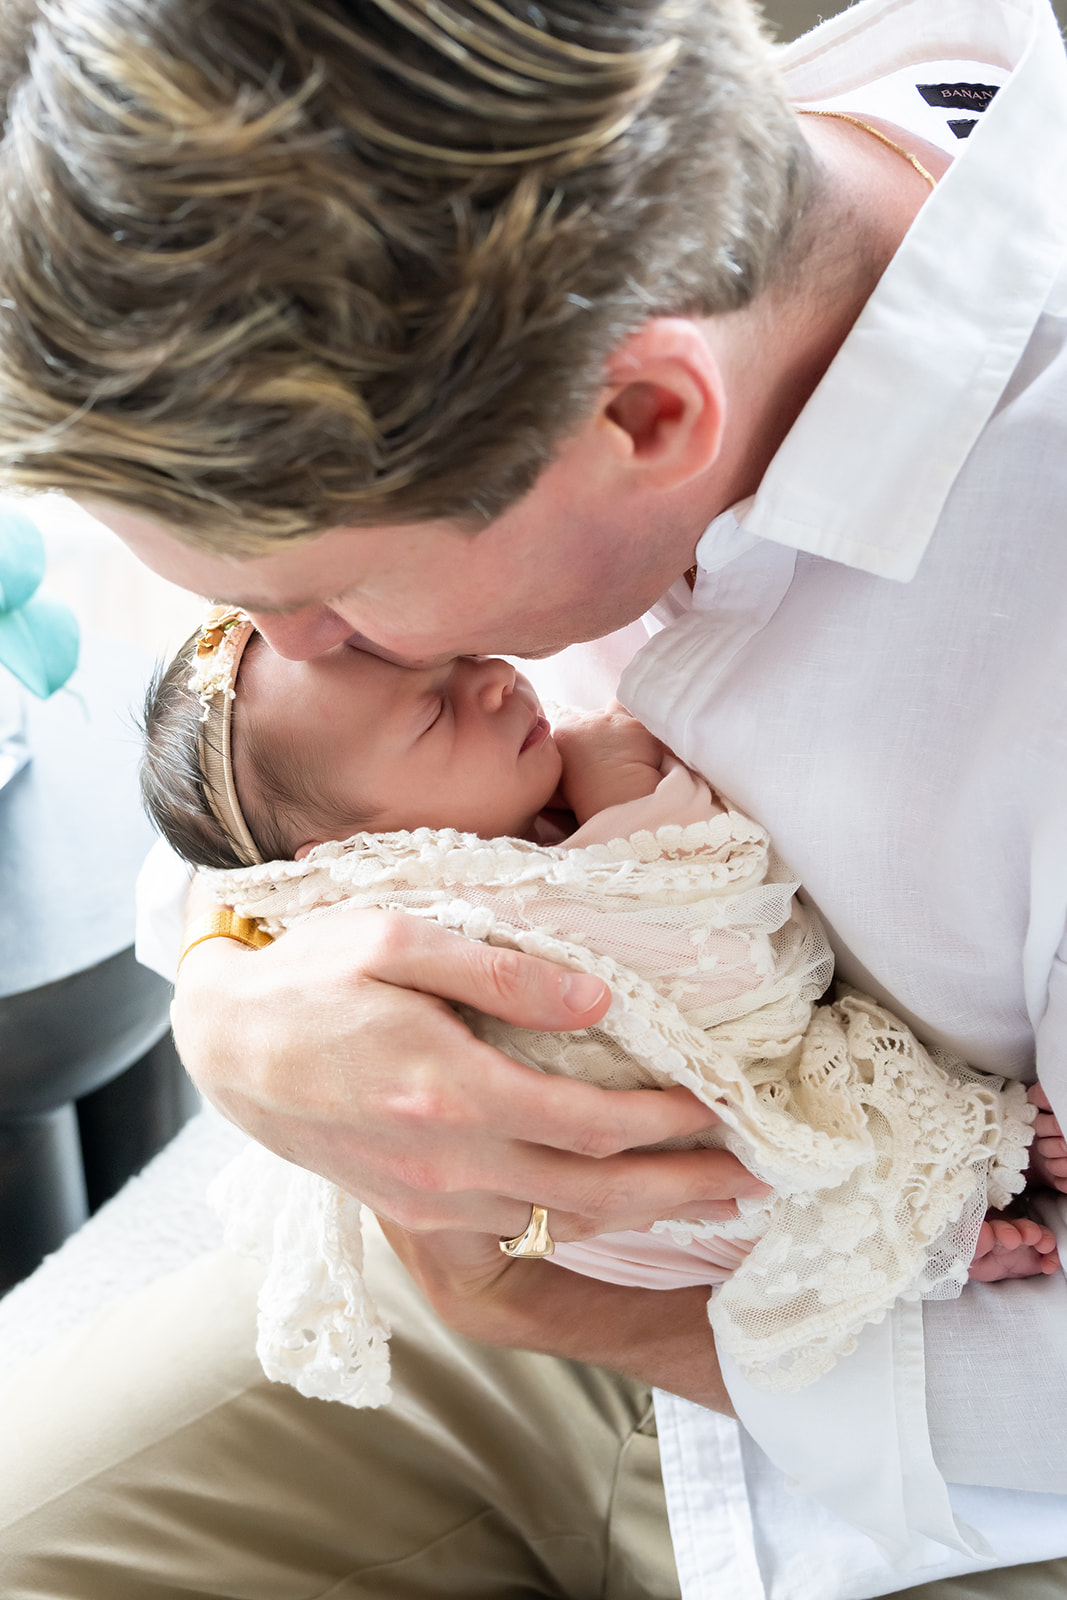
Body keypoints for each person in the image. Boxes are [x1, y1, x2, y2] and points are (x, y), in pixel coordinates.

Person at [0, 0, 1066, 1595]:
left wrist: (564, 1310)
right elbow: (258, 779)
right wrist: (244, 1005)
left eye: (345, 610)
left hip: (935, 1437)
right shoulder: (562, 255)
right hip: (490, 1296)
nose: (308, 652)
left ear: (650, 419)